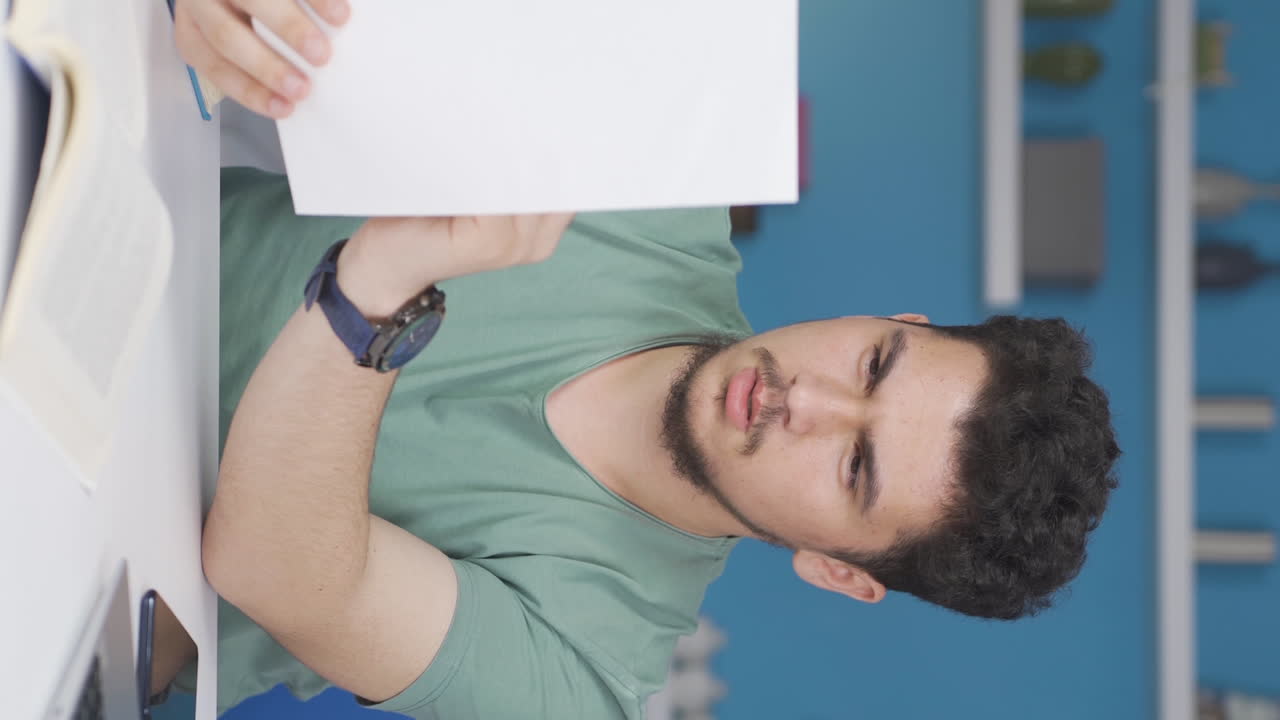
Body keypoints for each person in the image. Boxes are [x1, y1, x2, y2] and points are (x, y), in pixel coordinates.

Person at [166, 2, 1121, 718]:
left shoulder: (590, 664)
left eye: (854, 465)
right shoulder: (647, 175)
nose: (810, 403)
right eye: (875, 364)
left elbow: (282, 573)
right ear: (892, 318)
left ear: (838, 570)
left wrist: (375, 291)